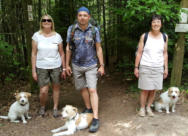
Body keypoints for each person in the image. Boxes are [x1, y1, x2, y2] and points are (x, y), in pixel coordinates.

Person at [66, 7, 105, 132]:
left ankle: (95, 118)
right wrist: (66, 65)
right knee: (82, 88)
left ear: (89, 17)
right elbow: (68, 48)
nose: (82, 17)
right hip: (76, 65)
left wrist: (102, 65)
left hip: (91, 65)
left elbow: (98, 48)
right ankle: (88, 108)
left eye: (85, 15)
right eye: (80, 15)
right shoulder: (71, 30)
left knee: (92, 89)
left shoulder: (94, 30)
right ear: (77, 17)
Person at [31, 14, 66, 118]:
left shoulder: (57, 36)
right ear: (41, 23)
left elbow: (62, 53)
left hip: (56, 65)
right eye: (44, 20)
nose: (46, 22)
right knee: (43, 90)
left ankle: (55, 108)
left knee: (56, 87)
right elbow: (33, 53)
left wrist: (63, 68)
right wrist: (33, 70)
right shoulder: (36, 36)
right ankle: (42, 106)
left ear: (52, 22)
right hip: (41, 66)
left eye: (49, 20)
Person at [134, 14, 168, 117]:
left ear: (161, 24)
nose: (156, 24)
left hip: (158, 67)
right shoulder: (145, 36)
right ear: (151, 24)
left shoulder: (164, 37)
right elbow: (139, 53)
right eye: (154, 22)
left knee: (153, 89)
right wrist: (136, 67)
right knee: (145, 89)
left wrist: (165, 68)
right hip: (145, 66)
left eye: (158, 22)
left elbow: (165, 53)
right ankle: (142, 108)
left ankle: (149, 107)